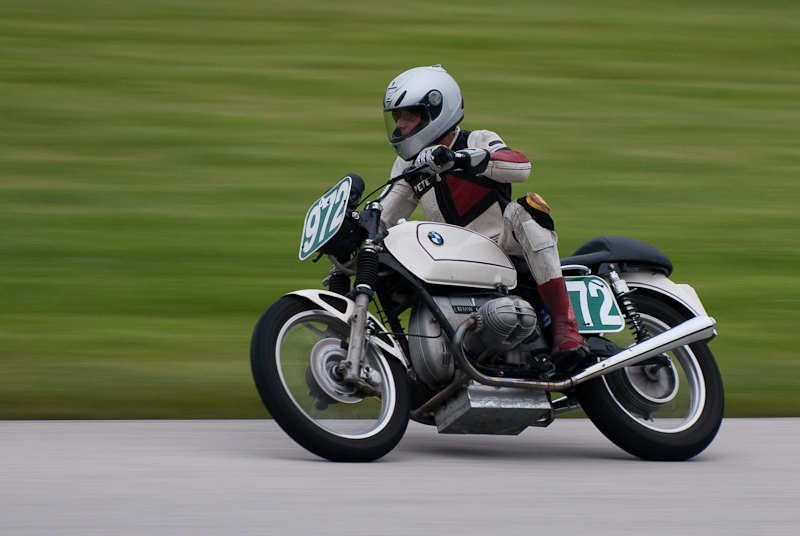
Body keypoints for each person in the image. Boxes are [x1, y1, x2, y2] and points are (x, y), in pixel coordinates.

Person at [380, 65, 588, 367]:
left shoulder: (477, 139)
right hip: (451, 260)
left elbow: (520, 166)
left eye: (408, 115)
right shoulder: (406, 167)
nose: (399, 125)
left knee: (524, 209)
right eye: (397, 116)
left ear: (434, 111)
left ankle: (565, 326)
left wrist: (460, 160)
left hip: (503, 248)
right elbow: (386, 213)